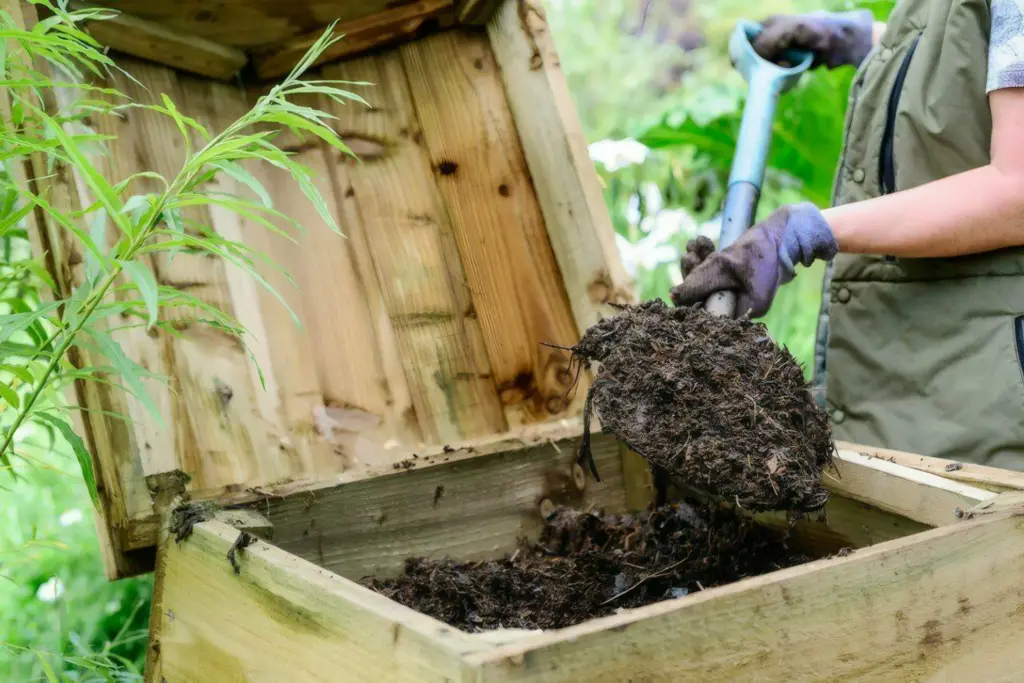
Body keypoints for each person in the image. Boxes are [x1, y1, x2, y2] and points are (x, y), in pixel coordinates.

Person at [672, 1, 1024, 469]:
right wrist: (863, 39)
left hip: (976, 396)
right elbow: (971, 51)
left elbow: (1017, 188)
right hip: (905, 371)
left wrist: (807, 232)